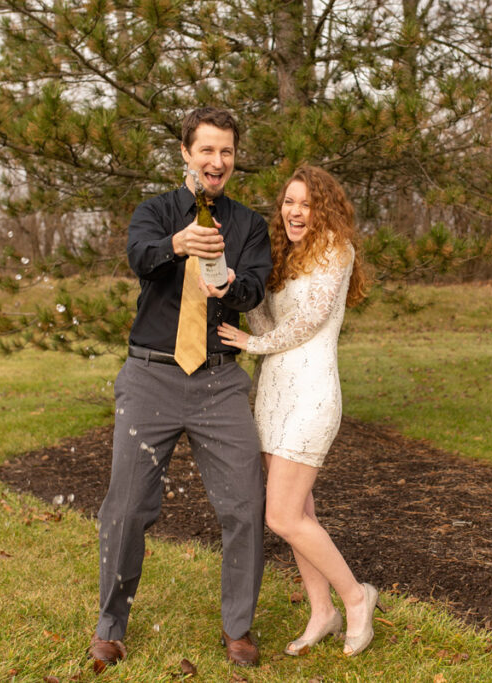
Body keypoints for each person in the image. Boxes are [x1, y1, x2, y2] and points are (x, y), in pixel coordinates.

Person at [88, 107, 273, 670]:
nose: (217, 162)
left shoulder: (249, 225)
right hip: (151, 377)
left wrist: (227, 282)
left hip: (219, 382)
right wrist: (178, 243)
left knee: (245, 506)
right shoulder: (155, 212)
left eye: (227, 152)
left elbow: (254, 289)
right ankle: (110, 626)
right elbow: (140, 258)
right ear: (187, 155)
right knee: (126, 506)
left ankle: (238, 628)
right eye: (207, 150)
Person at [218, 165, 381, 657]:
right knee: (300, 510)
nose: (294, 212)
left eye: (306, 204)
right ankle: (321, 611)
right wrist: (236, 288)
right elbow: (267, 316)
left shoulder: (336, 251)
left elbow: (308, 322)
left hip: (311, 391)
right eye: (289, 202)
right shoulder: (285, 255)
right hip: (272, 393)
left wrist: (253, 342)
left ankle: (356, 597)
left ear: (323, 209)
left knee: (283, 515)